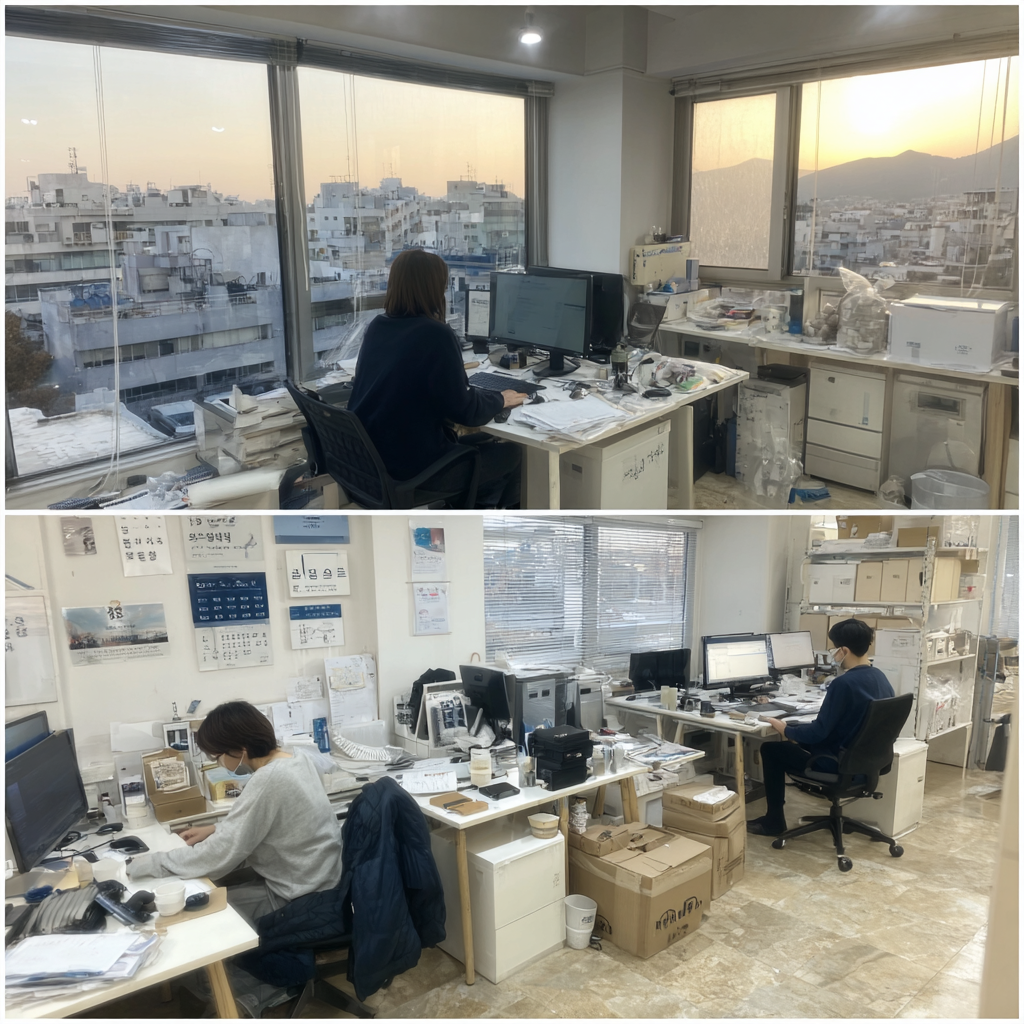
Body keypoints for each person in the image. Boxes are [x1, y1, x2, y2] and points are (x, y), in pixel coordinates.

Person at [126, 701, 342, 924]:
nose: (218, 763)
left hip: (300, 898)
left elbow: (218, 854)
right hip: (322, 880)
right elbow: (276, 820)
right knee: (212, 888)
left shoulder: (269, 778)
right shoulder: (296, 759)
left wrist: (149, 864)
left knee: (195, 913)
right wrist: (215, 828)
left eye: (216, 756)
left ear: (240, 749)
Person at [348, 247, 526, 507]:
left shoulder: (378, 327)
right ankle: (478, 516)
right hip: (414, 470)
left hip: (375, 462)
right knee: (512, 453)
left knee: (483, 441)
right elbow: (466, 412)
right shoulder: (435, 334)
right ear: (433, 289)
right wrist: (500, 399)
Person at [747, 618, 895, 837]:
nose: (833, 654)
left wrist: (787, 730)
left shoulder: (843, 684)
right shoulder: (880, 677)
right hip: (867, 763)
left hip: (836, 764)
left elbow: (818, 732)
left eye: (834, 649)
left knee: (771, 749)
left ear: (844, 650)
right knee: (798, 736)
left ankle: (773, 822)